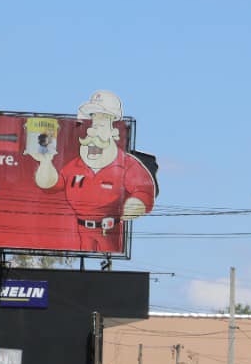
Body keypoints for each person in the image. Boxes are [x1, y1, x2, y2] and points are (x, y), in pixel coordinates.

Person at [31, 90, 157, 254]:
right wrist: (45, 163)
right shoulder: (76, 165)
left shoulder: (126, 164)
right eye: (92, 124)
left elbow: (143, 189)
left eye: (101, 125)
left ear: (113, 131)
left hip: (110, 232)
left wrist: (136, 204)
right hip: (82, 232)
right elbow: (53, 185)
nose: (92, 131)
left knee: (106, 267)